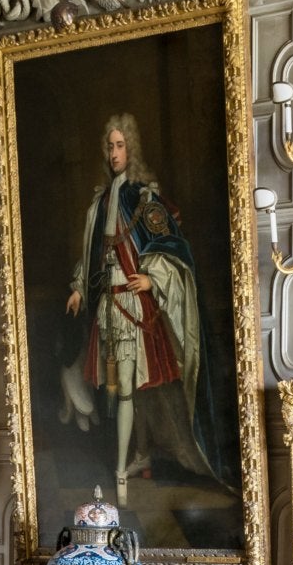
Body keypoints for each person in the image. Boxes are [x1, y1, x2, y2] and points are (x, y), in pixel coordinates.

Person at [64, 112, 218, 505]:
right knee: (116, 391)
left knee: (131, 391)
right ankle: (136, 454)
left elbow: (171, 249)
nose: (114, 152)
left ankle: (120, 471)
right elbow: (93, 254)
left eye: (120, 145)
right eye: (109, 146)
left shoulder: (144, 198)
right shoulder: (99, 204)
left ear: (130, 148)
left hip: (134, 307)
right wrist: (79, 288)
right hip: (107, 309)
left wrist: (152, 279)